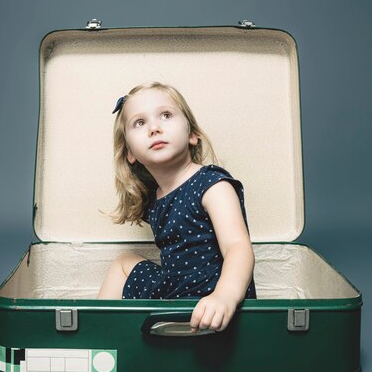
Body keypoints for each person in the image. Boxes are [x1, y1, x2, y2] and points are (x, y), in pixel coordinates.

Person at [97, 82, 257, 333]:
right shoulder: (155, 198)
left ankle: (101, 335)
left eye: (166, 115)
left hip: (211, 297)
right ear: (130, 153)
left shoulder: (212, 184)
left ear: (193, 135)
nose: (154, 128)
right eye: (140, 123)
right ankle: (99, 334)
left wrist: (225, 296)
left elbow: (238, 247)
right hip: (174, 290)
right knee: (123, 263)